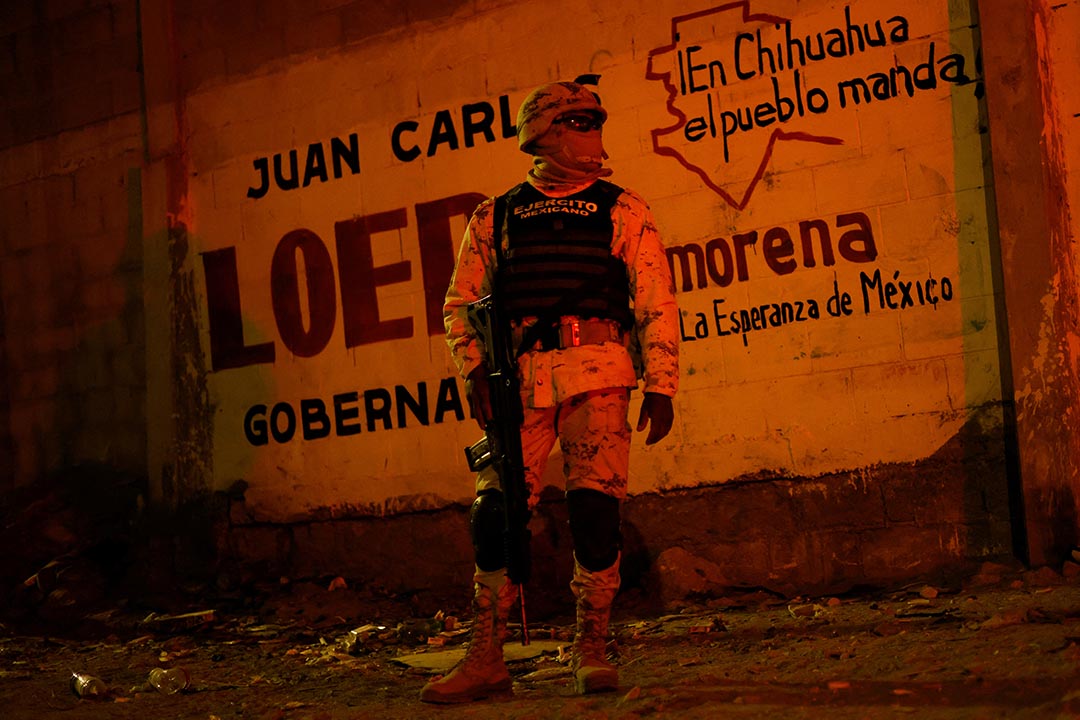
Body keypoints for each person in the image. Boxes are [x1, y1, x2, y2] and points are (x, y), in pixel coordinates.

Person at [421, 78, 680, 704]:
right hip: (521, 382)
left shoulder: (623, 207)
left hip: (601, 374)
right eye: (579, 124)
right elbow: (459, 303)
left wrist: (662, 383)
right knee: (496, 517)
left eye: (596, 123)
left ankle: (591, 648)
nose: (593, 136)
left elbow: (654, 299)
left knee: (596, 513)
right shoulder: (496, 214)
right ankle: (486, 656)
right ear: (544, 134)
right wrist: (475, 371)